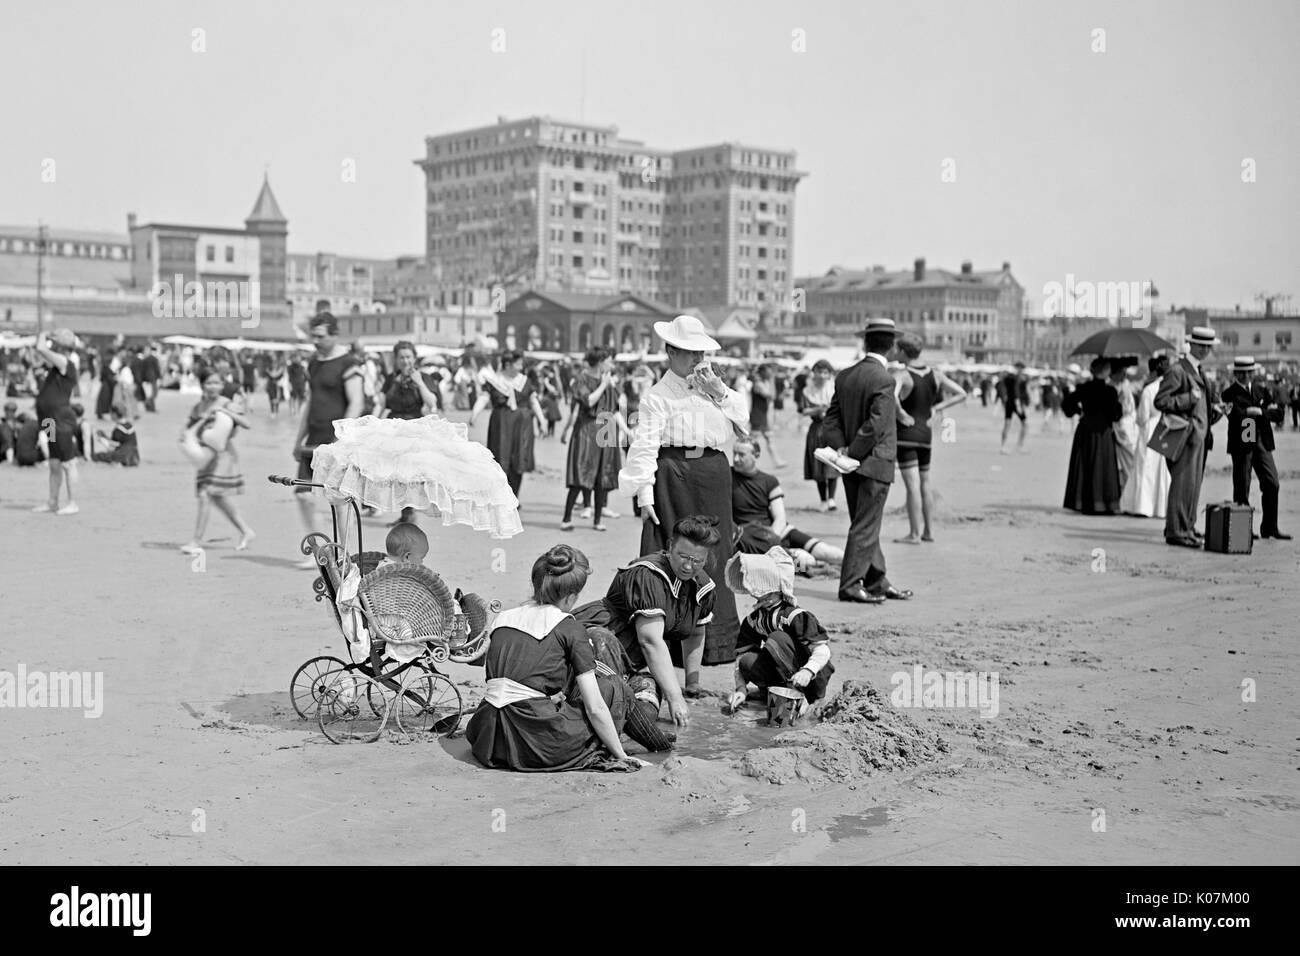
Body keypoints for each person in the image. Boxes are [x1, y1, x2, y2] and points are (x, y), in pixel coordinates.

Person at [619, 314, 748, 665]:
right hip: (674, 475)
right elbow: (644, 446)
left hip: (714, 473)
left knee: (714, 553)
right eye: (690, 352)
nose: (697, 360)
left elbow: (744, 422)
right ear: (670, 352)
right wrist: (645, 496)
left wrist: (719, 391)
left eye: (701, 352)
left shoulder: (716, 389)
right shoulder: (657, 396)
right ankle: (668, 641)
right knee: (674, 553)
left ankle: (716, 643)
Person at [466, 545, 647, 773]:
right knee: (611, 687)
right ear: (572, 596)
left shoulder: (502, 619)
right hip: (535, 744)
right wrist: (620, 755)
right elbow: (595, 708)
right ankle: (610, 745)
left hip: (486, 737)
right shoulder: (569, 628)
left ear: (535, 583)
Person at [574, 515, 721, 729]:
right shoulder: (647, 575)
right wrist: (675, 698)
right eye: (683, 556)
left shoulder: (703, 588)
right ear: (670, 546)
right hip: (598, 645)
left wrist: (692, 684)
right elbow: (650, 641)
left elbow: (696, 633)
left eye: (697, 560)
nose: (688, 566)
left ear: (706, 558)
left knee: (645, 715)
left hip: (632, 665)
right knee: (602, 706)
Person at [822, 318, 911, 604]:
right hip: (874, 462)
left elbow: (831, 419)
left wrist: (843, 449)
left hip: (849, 462)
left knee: (863, 522)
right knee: (865, 525)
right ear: (893, 346)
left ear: (865, 342)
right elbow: (877, 425)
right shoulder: (885, 379)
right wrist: (854, 451)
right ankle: (850, 584)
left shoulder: (845, 375)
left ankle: (877, 579)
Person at [724, 547, 834, 715]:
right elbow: (741, 658)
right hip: (781, 674)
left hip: (809, 680)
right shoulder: (754, 620)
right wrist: (741, 689)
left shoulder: (795, 616)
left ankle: (800, 698)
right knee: (746, 660)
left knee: (776, 639)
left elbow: (822, 649)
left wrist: (808, 670)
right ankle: (773, 692)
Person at [293, 314, 365, 565]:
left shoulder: (349, 363)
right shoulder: (314, 363)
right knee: (302, 493)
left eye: (321, 336)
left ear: (334, 334)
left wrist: (341, 438)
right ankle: (318, 551)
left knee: (340, 501)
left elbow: (356, 402)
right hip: (313, 437)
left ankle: (344, 554)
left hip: (336, 441)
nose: (315, 340)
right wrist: (298, 438)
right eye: (313, 335)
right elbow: (310, 401)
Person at [892, 333, 966, 544]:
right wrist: (937, 407)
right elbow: (961, 393)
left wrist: (900, 413)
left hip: (906, 435)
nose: (896, 353)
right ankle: (928, 532)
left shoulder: (902, 374)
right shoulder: (936, 374)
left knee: (912, 486)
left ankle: (914, 534)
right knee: (925, 483)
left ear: (904, 352)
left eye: (898, 350)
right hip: (926, 435)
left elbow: (892, 395)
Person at [731, 437, 844, 569]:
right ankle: (803, 561)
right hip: (748, 536)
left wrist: (770, 540)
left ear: (756, 455)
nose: (736, 459)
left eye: (741, 455)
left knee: (827, 552)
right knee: (805, 562)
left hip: (777, 532)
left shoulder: (769, 481)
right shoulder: (727, 476)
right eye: (734, 453)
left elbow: (780, 518)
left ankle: (859, 563)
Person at [1155, 327, 1221, 548]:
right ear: (1192, 345)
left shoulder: (1199, 371)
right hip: (1185, 436)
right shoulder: (1178, 370)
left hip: (1199, 437)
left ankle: (1187, 526)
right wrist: (1187, 398)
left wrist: (1217, 411)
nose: (1206, 350)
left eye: (1208, 347)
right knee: (1182, 485)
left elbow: (1202, 405)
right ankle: (1176, 531)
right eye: (1202, 346)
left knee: (1192, 486)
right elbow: (1161, 401)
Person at [180, 369, 255, 554]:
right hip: (204, 454)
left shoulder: (226, 403)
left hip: (223, 455)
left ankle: (196, 542)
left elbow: (247, 423)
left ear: (222, 385)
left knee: (206, 494)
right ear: (202, 385)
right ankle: (246, 531)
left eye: (217, 383)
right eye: (208, 383)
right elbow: (189, 428)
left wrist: (224, 411)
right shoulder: (198, 407)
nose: (213, 387)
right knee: (217, 497)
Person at [1222, 356, 1290, 540]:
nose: (1245, 376)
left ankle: (1270, 527)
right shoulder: (1229, 393)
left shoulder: (1262, 390)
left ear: (1253, 372)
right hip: (1243, 442)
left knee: (1272, 483)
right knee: (1242, 485)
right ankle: (1243, 528)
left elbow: (1279, 414)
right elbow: (1234, 415)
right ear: (1236, 373)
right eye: (1241, 373)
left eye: (1248, 372)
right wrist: (1250, 413)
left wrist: (1260, 412)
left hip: (1262, 441)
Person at [374, 340, 441, 525]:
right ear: (396, 359)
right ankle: (406, 514)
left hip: (414, 427)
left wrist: (419, 382)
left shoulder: (424, 377)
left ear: (414, 358)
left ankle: (411, 513)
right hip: (394, 427)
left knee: (411, 473)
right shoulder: (391, 378)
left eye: (408, 357)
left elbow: (431, 402)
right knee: (397, 474)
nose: (405, 361)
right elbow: (382, 402)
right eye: (401, 357)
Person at [561, 348, 623, 532]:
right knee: (581, 473)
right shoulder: (582, 378)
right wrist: (603, 385)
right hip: (587, 430)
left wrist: (627, 430)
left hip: (606, 428)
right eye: (609, 361)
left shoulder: (609, 382)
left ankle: (597, 519)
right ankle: (566, 518)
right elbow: (587, 401)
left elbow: (614, 409)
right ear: (601, 361)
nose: (611, 365)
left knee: (602, 475)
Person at [470, 350, 546, 498]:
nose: (521, 366)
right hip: (501, 424)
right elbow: (484, 398)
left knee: (519, 459)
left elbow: (533, 401)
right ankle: (502, 496)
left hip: (522, 425)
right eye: (517, 363)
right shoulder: (494, 381)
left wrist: (542, 420)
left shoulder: (524, 381)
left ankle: (514, 496)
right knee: (500, 459)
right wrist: (474, 414)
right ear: (507, 364)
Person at [31, 329, 82, 515]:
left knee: (68, 462)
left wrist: (44, 333)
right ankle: (52, 501)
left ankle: (72, 502)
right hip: (49, 420)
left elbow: (40, 348)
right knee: (54, 461)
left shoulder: (66, 363)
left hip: (60, 419)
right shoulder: (58, 365)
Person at [1062, 358, 1122, 515]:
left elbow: (1067, 404)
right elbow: (1115, 415)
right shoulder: (1110, 391)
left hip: (1086, 430)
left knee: (1085, 466)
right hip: (1103, 433)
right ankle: (1103, 503)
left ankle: (1083, 502)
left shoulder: (1084, 388)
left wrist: (1079, 411)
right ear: (1105, 371)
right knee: (1103, 467)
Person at [1120, 355, 1172, 518]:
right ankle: (1162, 506)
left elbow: (1142, 416)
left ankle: (1143, 505)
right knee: (1162, 469)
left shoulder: (1149, 390)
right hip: (1166, 428)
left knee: (1144, 467)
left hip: (1150, 428)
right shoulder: (1170, 387)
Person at [798, 359, 839, 511]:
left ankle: (832, 499)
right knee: (818, 465)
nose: (822, 375)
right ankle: (823, 499)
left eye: (825, 372)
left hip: (832, 429)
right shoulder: (807, 390)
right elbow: (803, 410)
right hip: (816, 430)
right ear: (813, 373)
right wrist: (818, 409)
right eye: (819, 372)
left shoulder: (834, 388)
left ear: (829, 374)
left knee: (832, 463)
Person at [749, 365, 787, 468]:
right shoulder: (758, 384)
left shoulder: (763, 383)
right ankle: (751, 462)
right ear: (762, 373)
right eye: (768, 372)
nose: (771, 374)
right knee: (753, 441)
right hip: (757, 416)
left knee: (770, 439)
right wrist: (772, 381)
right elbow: (772, 395)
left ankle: (777, 461)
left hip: (763, 415)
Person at [1111, 362, 1139, 489]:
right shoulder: (1115, 386)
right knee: (1125, 460)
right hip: (1122, 425)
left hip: (1127, 425)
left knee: (1129, 459)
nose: (1125, 375)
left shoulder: (1124, 385)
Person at [1000, 362, 1029, 453]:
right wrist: (1018, 404)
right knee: (1025, 424)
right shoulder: (1017, 378)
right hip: (1016, 403)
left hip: (1009, 402)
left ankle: (1003, 446)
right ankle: (1019, 445)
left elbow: (1002, 388)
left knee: (1007, 424)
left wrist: (1004, 400)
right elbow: (1016, 391)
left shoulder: (1006, 378)